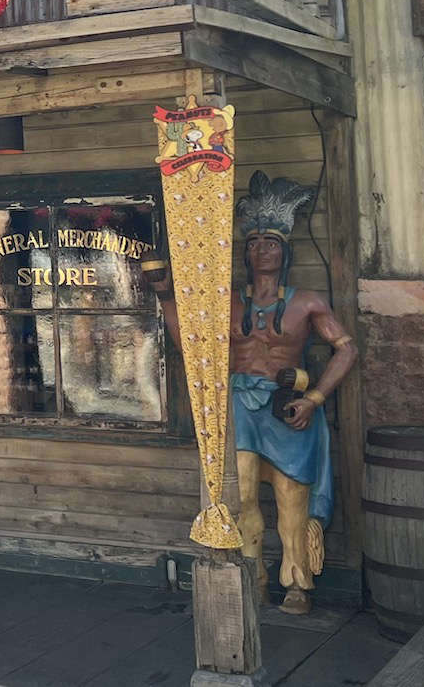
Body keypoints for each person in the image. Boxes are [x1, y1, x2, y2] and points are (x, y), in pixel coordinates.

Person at [153, 171, 357, 614]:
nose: (260, 249)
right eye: (252, 243)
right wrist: (168, 296)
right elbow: (191, 343)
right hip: (238, 408)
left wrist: (315, 399)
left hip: (288, 409)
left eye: (270, 242)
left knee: (291, 500)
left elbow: (345, 348)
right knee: (240, 496)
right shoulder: (227, 302)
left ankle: (298, 584)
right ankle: (252, 578)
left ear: (285, 250)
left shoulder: (307, 301)